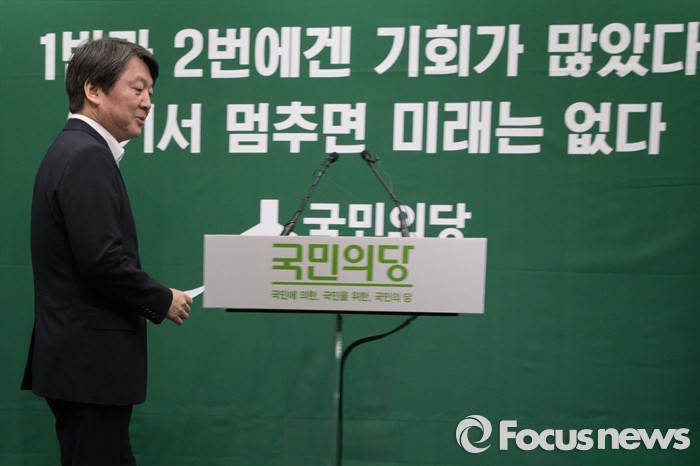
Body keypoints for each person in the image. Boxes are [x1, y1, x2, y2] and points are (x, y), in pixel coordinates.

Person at [22, 37, 193, 465]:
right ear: (94, 90)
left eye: (150, 91)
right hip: (89, 367)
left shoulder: (73, 150)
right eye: (137, 88)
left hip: (78, 365)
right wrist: (162, 299)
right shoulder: (86, 156)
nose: (148, 102)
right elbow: (101, 261)